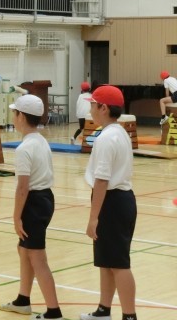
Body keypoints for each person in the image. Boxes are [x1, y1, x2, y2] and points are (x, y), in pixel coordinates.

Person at [0, 95, 63, 320]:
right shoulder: (41, 140)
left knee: (37, 258)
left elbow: (23, 188)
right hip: (45, 199)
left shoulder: (24, 148)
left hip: (34, 203)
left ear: (21, 117)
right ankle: (23, 300)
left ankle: (53, 311)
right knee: (24, 250)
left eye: (15, 112)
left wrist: (16, 217)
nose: (13, 116)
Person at [81, 85, 137, 320]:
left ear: (103, 108)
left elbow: (102, 180)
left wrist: (93, 218)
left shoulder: (106, 138)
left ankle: (129, 316)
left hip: (113, 203)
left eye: (93, 105)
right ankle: (103, 310)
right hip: (118, 201)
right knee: (107, 261)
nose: (90, 110)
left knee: (119, 264)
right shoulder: (119, 132)